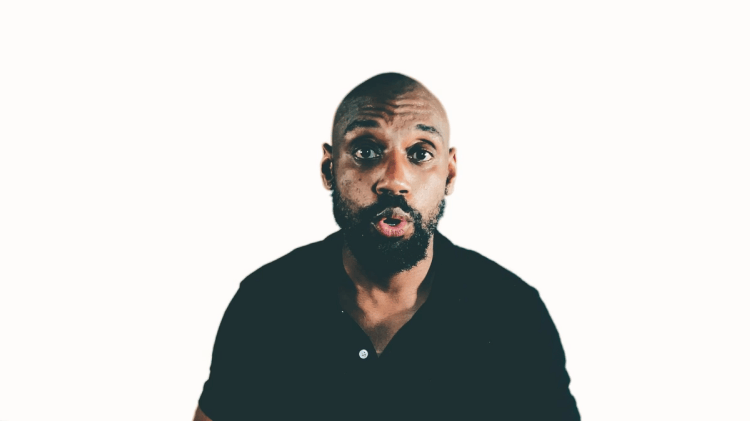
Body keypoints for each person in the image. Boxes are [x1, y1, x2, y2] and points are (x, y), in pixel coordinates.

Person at [193, 73, 580, 420]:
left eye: (420, 153)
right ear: (330, 169)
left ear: (449, 172)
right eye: (365, 151)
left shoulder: (513, 314)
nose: (394, 180)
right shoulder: (266, 302)